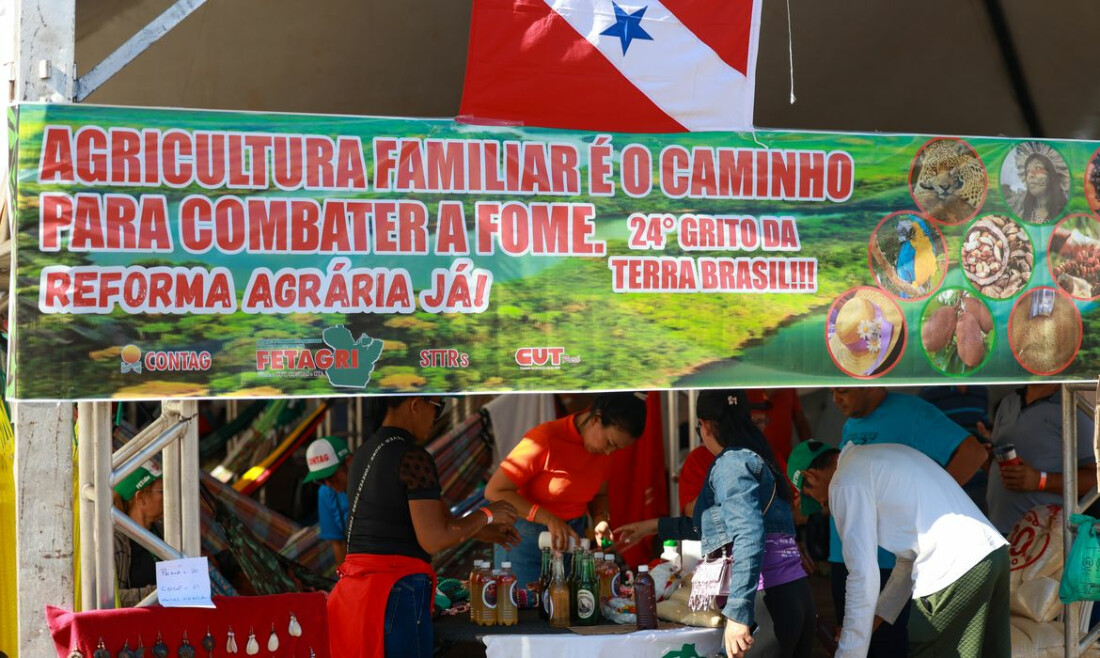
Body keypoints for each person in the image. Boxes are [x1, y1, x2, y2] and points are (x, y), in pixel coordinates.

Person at [615, 390, 816, 658]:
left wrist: (738, 613)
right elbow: (712, 527)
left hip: (767, 601)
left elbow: (748, 533)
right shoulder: (759, 457)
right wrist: (651, 527)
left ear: (705, 426)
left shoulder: (732, 463)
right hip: (794, 593)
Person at [327, 396, 520, 658]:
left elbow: (436, 518)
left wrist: (482, 530)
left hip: (356, 595)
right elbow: (433, 538)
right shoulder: (412, 456)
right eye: (437, 407)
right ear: (415, 404)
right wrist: (487, 514)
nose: (436, 418)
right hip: (393, 591)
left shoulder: (363, 453)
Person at [789, 440, 1010, 658]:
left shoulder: (844, 482)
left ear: (811, 476)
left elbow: (862, 575)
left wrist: (849, 652)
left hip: (953, 569)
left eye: (817, 500)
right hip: (993, 555)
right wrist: (869, 623)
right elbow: (909, 563)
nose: (823, 505)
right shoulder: (881, 457)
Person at [826, 387, 988, 656]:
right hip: (847, 557)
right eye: (831, 391)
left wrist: (931, 510)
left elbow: (974, 453)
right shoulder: (851, 423)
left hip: (894, 561)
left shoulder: (912, 412)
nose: (835, 399)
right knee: (856, 640)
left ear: (867, 382)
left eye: (842, 390)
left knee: (891, 648)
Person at [484, 392, 647, 587]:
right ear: (596, 419)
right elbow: (494, 491)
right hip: (525, 539)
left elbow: (600, 494)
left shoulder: (602, 452)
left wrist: (601, 519)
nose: (609, 452)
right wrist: (549, 518)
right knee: (525, 603)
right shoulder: (545, 439)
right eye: (610, 443)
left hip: (571, 539)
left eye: (616, 448)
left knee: (568, 602)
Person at [679, 389, 810, 516]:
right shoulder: (698, 459)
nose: (759, 428)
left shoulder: (771, 457)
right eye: (754, 422)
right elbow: (692, 512)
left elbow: (800, 509)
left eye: (763, 421)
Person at [986, 383, 1097, 534]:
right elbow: (998, 468)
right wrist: (986, 458)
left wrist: (1041, 480)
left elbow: (1095, 479)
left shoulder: (1073, 408)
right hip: (997, 530)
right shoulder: (1008, 402)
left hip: (1043, 539)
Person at [113, 461, 164, 607]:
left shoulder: (162, 531)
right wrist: (161, 593)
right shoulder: (115, 542)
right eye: (162, 491)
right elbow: (108, 599)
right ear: (141, 497)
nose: (170, 496)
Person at [302, 435, 352, 565]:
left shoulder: (372, 483)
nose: (328, 483)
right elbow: (338, 543)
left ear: (349, 462)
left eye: (330, 476)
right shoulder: (326, 493)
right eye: (320, 480)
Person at [1007, 148, 1068, 224]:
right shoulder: (1019, 212)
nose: (1030, 175)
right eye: (1027, 171)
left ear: (1052, 175)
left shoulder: (1068, 213)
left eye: (1037, 168)